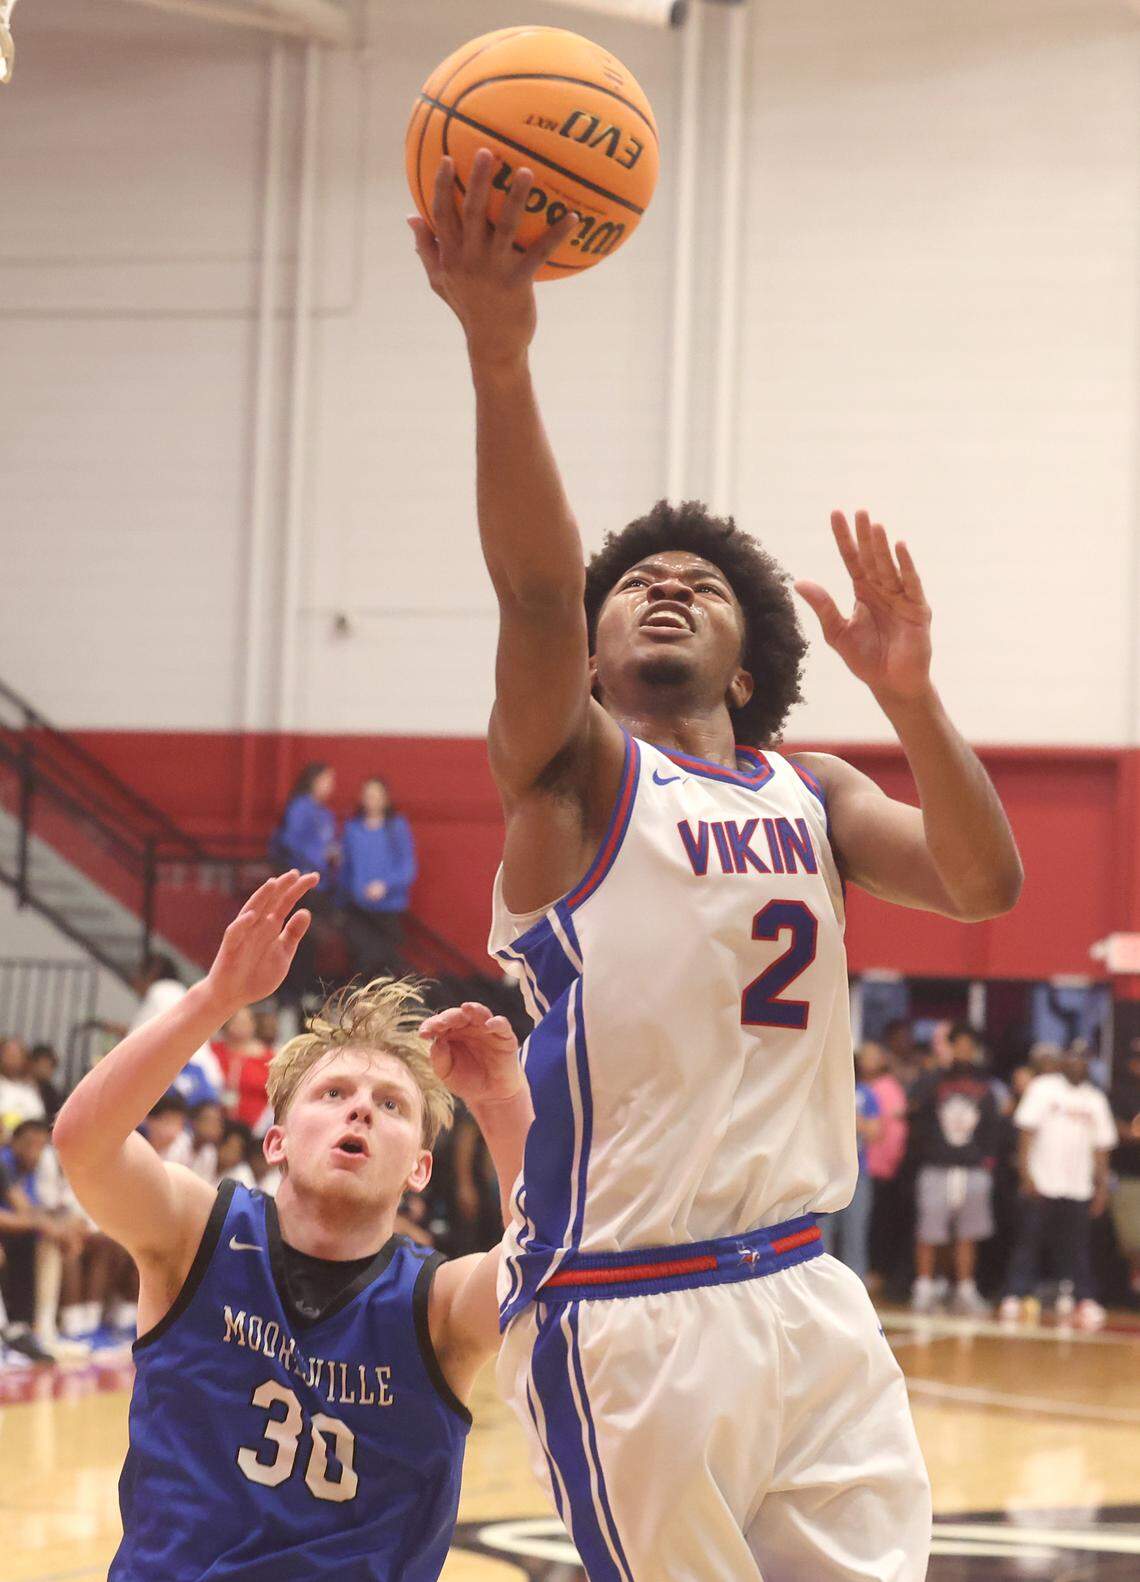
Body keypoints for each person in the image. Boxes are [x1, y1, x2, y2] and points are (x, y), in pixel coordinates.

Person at [411, 150, 1022, 1581]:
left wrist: (917, 698)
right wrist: (502, 357)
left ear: (756, 655)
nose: (665, 583)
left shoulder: (813, 787)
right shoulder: (580, 778)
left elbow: (984, 885)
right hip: (634, 1307)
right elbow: (532, 587)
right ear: (599, 647)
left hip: (812, 1290)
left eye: (699, 581)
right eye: (637, 581)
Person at [52, 870, 533, 1580]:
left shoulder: (438, 1306)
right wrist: (215, 998)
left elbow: (557, 1260)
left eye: (392, 1105)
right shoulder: (198, 1236)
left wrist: (502, 1104)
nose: (360, 1110)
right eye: (333, 1092)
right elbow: (82, 1144)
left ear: (419, 1171)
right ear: (275, 1141)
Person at [999, 1047, 1116, 1329]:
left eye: (1083, 1059)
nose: (1077, 1064)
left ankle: (1083, 1297)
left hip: (1078, 1186)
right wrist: (1026, 1175)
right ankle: (1015, 1293)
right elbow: (1026, 1132)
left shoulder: (1095, 1098)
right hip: (1043, 1181)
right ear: (1064, 1061)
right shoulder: (1043, 1088)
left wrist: (1100, 1188)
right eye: (1073, 1058)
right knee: (1029, 1241)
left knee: (1077, 1247)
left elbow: (1102, 1147)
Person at [908, 1023, 1001, 1315]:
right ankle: (923, 1288)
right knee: (929, 1231)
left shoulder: (986, 1086)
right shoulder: (933, 1081)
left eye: (967, 1045)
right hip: (937, 1165)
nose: (962, 1050)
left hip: (971, 1168)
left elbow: (993, 1129)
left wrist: (986, 1161)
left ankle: (965, 1290)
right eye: (956, 1044)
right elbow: (916, 1116)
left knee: (968, 1233)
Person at [271, 765, 339, 1013]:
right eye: (327, 779)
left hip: (321, 886)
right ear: (314, 780)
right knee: (297, 938)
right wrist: (315, 861)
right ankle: (288, 996)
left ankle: (302, 993)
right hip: (302, 884)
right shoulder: (301, 807)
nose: (332, 785)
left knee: (312, 942)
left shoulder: (326, 814)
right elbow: (291, 841)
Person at [340, 777, 418, 982]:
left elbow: (407, 867)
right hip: (358, 908)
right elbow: (346, 867)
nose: (371, 800)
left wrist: (386, 885)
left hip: (388, 908)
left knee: (387, 963)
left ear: (385, 799)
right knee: (361, 960)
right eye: (367, 795)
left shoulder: (396, 827)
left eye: (376, 795)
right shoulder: (352, 828)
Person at [820, 1055, 881, 1279]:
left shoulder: (865, 1093)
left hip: (857, 1173)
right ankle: (820, 1286)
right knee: (820, 1234)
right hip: (824, 1173)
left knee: (855, 1233)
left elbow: (876, 1132)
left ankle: (856, 1283)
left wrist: (852, 1120)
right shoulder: (823, 1089)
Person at [1109, 1037, 1140, 1303]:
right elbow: (1114, 1130)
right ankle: (1134, 1290)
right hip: (1128, 1175)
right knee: (1132, 1239)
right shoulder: (1118, 1092)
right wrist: (1132, 1133)